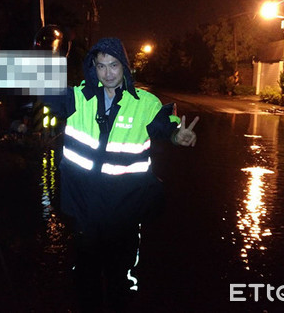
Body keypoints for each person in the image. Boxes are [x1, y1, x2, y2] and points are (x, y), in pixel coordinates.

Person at [47, 37, 198, 311]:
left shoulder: (145, 104)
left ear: (124, 67)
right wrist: (46, 54)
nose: (108, 73)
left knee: (122, 280)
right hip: (86, 210)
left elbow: (167, 126)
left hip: (125, 211)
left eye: (114, 65)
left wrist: (179, 136)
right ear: (93, 67)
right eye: (101, 66)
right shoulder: (78, 97)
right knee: (85, 276)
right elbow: (36, 86)